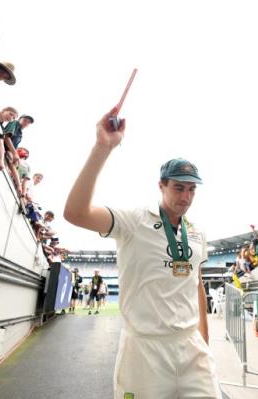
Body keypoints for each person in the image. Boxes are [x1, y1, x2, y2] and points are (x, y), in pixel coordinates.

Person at [63, 108, 221, 398]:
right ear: (161, 185)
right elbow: (76, 212)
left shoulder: (197, 233)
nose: (185, 197)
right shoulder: (134, 221)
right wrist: (102, 148)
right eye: (178, 188)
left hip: (191, 347)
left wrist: (205, 340)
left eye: (191, 190)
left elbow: (195, 284)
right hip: (144, 350)